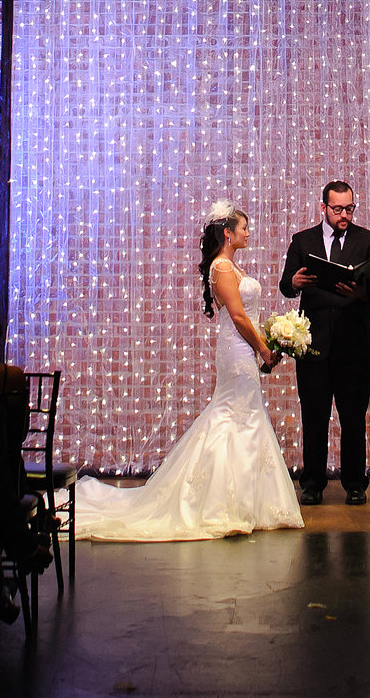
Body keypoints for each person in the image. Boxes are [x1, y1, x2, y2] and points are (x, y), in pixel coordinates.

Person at [73, 203, 304, 541]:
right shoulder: (222, 267)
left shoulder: (233, 267)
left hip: (243, 347)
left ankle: (249, 502)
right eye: (243, 228)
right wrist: (264, 349)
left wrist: (270, 337)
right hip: (237, 349)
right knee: (232, 415)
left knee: (246, 414)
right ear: (228, 233)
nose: (248, 233)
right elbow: (239, 317)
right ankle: (221, 504)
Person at [280, 180, 370, 506]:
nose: (344, 215)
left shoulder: (367, 239)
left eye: (349, 208)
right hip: (314, 346)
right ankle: (312, 483)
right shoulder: (303, 240)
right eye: (338, 209)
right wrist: (294, 282)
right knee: (313, 416)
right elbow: (286, 285)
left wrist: (361, 292)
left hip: (353, 345)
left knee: (353, 418)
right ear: (323, 207)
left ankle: (355, 483)